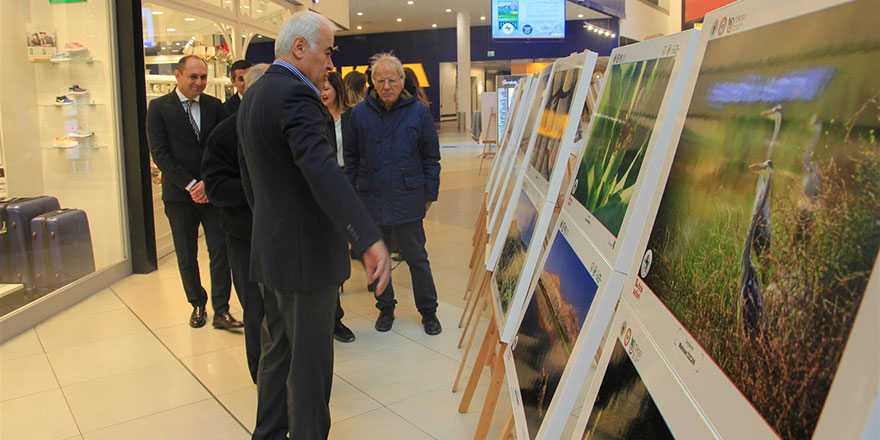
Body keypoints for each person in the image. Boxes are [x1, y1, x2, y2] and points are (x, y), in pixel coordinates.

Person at [237, 11, 391, 440]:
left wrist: (271, 226)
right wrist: (366, 236)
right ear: (299, 48)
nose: (331, 64)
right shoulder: (296, 97)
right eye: (326, 53)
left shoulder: (257, 92)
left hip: (273, 251)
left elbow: (251, 178)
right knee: (309, 370)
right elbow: (322, 169)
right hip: (305, 259)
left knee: (277, 357)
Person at [345, 53, 442, 335]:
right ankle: (385, 308)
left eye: (392, 80)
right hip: (370, 198)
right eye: (380, 80)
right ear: (372, 82)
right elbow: (351, 158)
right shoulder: (360, 115)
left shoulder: (419, 112)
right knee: (379, 258)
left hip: (407, 197)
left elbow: (430, 158)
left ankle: (428, 311)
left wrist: (429, 194)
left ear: (402, 81)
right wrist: (352, 194)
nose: (386, 86)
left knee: (417, 257)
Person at [147, 55, 241, 331]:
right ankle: (197, 303)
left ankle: (221, 310)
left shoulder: (215, 106)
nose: (199, 83)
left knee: (220, 252)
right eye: (193, 77)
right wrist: (191, 185)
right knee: (186, 254)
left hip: (213, 195)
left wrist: (209, 184)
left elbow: (224, 147)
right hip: (179, 197)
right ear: (178, 75)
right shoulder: (159, 108)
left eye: (203, 77)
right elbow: (160, 153)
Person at [200, 63, 269, 384]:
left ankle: (287, 371)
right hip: (244, 236)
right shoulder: (225, 133)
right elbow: (215, 188)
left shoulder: (282, 127)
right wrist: (258, 187)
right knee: (254, 311)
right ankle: (262, 377)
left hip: (281, 236)